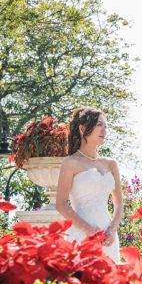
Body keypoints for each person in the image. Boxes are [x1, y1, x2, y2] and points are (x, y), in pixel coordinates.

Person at [56, 107, 122, 263]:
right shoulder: (70, 163)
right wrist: (89, 230)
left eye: (105, 126)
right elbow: (61, 204)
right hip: (81, 233)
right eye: (99, 125)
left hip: (108, 237)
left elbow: (119, 203)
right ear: (82, 128)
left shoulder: (111, 164)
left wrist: (112, 230)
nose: (104, 130)